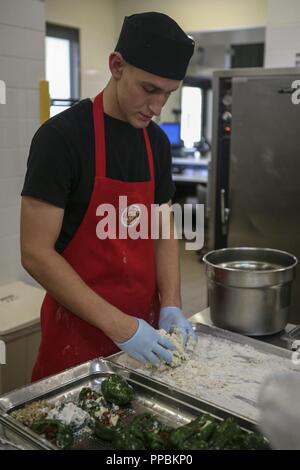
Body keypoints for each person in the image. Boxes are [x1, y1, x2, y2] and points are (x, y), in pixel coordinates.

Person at [20, 12, 195, 381]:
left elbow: (163, 230)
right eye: (149, 89)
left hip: (146, 336)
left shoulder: (157, 144)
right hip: (77, 336)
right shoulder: (62, 139)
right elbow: (35, 253)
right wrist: (121, 327)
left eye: (168, 93)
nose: (157, 107)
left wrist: (172, 305)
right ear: (116, 65)